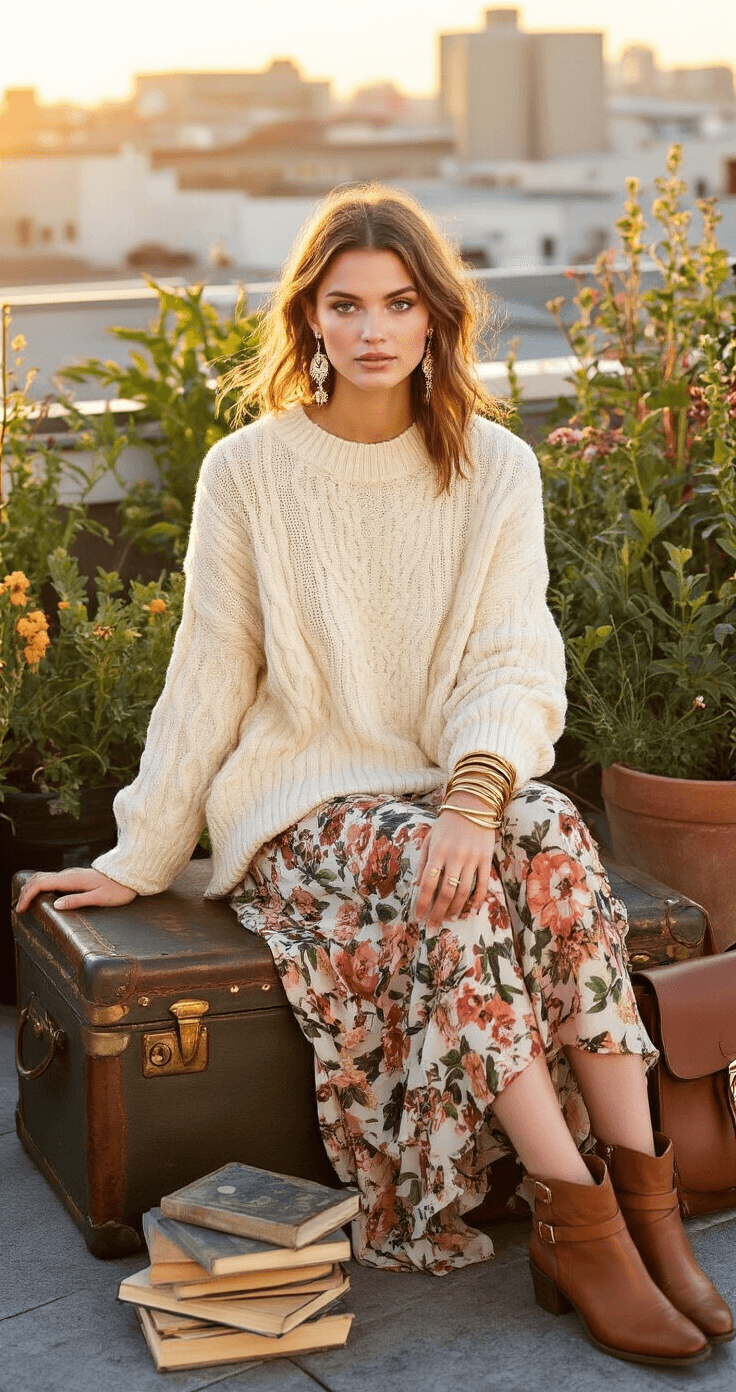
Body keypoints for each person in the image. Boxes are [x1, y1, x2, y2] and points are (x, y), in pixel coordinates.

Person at [16, 185, 731, 1366]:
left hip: (438, 783)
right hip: (306, 807)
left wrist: (472, 799)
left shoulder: (496, 467)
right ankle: (578, 1223)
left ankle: (648, 1202)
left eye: (398, 303)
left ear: (434, 316)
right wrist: (140, 853)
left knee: (551, 835)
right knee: (454, 884)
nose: (372, 329)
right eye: (344, 305)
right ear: (309, 317)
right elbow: (210, 672)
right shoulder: (249, 470)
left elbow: (513, 659)